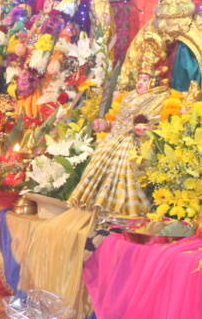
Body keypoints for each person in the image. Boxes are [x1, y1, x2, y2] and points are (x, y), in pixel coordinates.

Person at [70, 71, 168, 218]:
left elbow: (161, 128)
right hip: (115, 140)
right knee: (99, 163)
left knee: (127, 169)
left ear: (154, 82)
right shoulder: (129, 97)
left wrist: (146, 129)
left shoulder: (160, 98)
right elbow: (121, 124)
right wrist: (106, 125)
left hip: (136, 144)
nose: (140, 83)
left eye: (145, 80)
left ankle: (124, 212)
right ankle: (95, 209)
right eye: (139, 79)